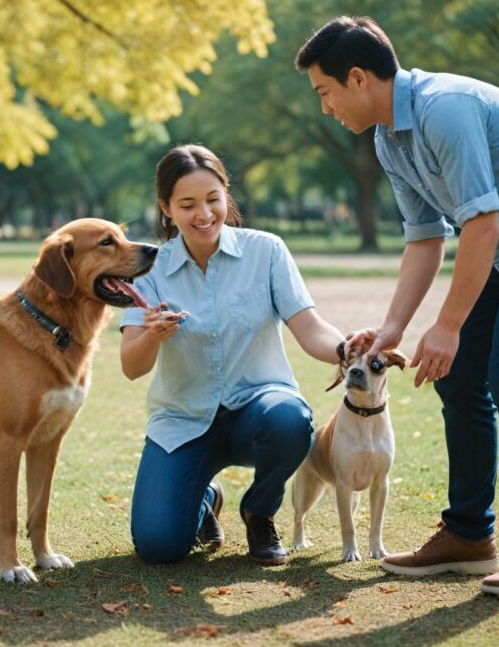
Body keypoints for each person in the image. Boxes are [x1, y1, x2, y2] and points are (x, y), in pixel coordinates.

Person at [295, 16, 499, 597]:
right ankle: (469, 535)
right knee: (462, 376)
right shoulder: (390, 139)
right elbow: (424, 238)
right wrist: (391, 330)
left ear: (359, 78)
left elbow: (482, 225)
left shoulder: (445, 108)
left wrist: (448, 324)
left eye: (325, 91)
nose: (325, 107)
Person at [119, 144, 348, 566]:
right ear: (166, 209)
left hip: (258, 412)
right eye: (187, 205)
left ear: (226, 194)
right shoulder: (148, 269)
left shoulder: (267, 251)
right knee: (158, 546)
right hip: (183, 421)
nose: (204, 214)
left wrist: (345, 349)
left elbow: (309, 327)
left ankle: (259, 511)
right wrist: (151, 335)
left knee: (290, 420)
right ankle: (205, 499)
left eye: (212, 199)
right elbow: (132, 366)